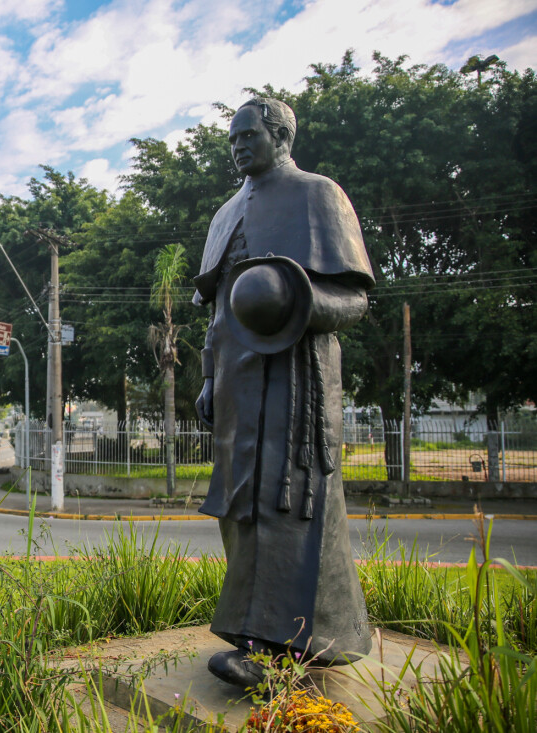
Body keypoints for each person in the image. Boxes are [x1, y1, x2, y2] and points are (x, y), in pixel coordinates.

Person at [193, 97, 376, 687]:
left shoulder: (318, 194)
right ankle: (258, 637)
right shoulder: (225, 215)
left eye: (250, 135)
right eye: (233, 138)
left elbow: (354, 299)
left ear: (282, 136)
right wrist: (207, 376)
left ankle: (276, 647)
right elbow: (218, 308)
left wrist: (290, 301)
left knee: (288, 505)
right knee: (238, 506)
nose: (239, 145)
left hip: (297, 379)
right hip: (236, 382)